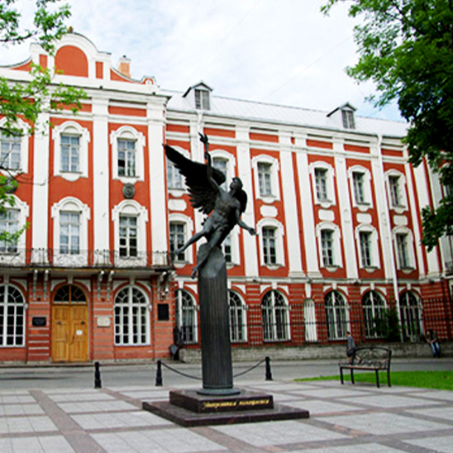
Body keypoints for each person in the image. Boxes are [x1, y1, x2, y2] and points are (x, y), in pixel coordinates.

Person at [165, 134, 256, 278]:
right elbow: (208, 177)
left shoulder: (236, 203)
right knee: (203, 231)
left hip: (222, 225)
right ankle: (181, 248)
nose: (232, 183)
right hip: (213, 218)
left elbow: (238, 221)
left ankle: (196, 268)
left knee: (211, 246)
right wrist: (207, 152)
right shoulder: (220, 192)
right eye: (232, 181)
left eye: (235, 182)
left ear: (238, 187)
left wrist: (248, 228)